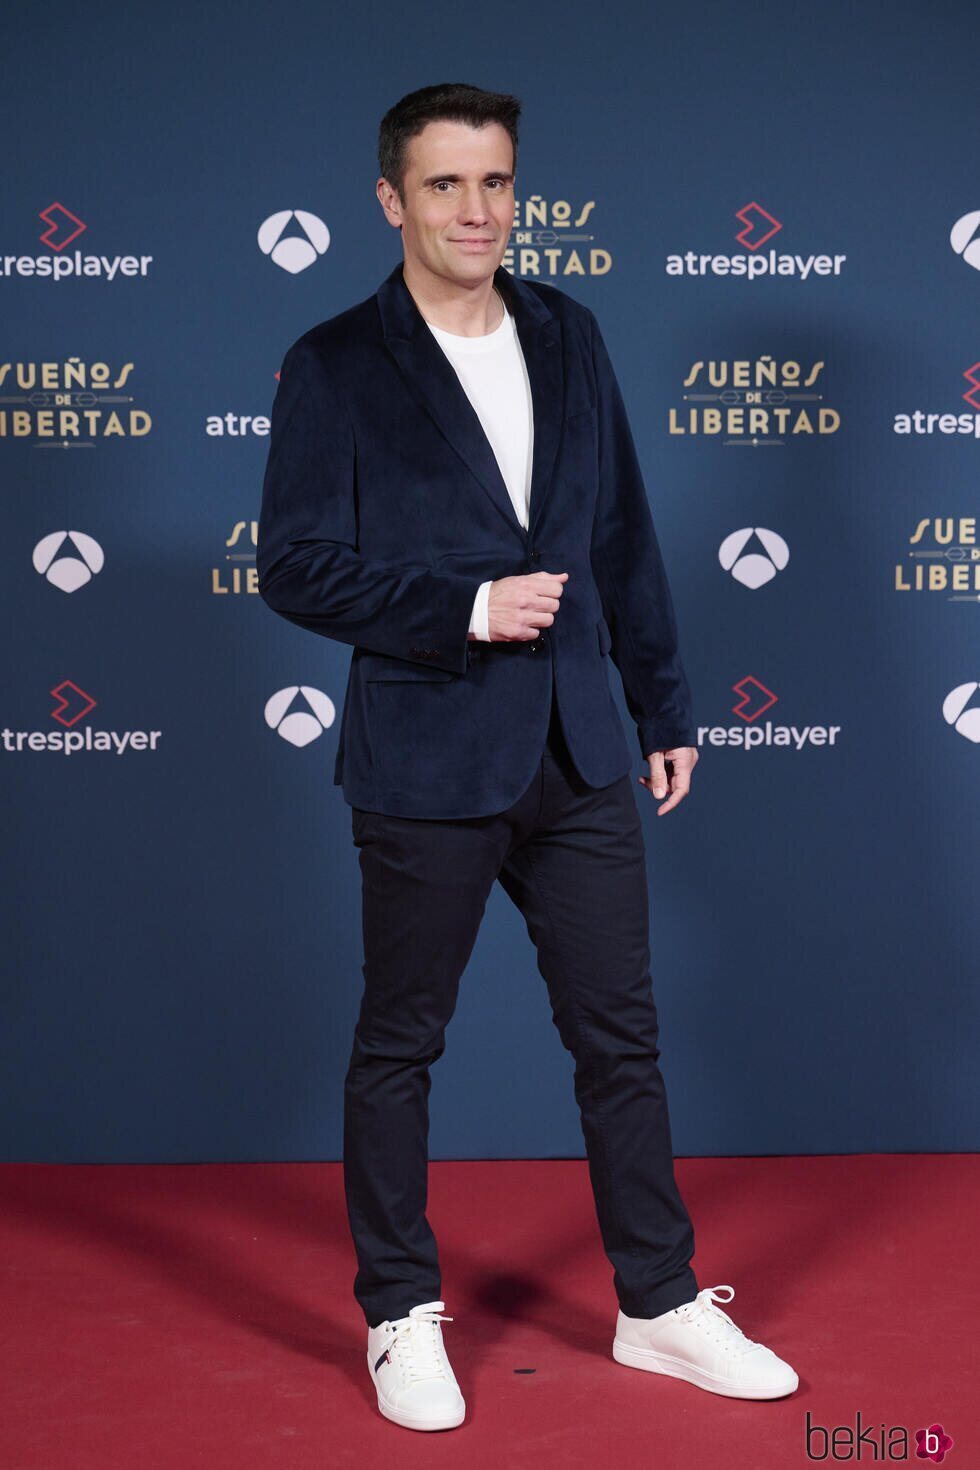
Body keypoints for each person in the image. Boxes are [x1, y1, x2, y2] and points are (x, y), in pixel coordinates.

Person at [257, 81, 798, 1433]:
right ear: (391, 200)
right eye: (445, 184)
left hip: (580, 744)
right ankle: (398, 1309)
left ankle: (658, 1301)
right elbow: (294, 565)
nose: (476, 210)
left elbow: (620, 533)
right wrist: (464, 607)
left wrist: (663, 706)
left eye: (495, 182)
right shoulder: (334, 361)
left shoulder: (569, 330)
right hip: (427, 757)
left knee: (623, 1037)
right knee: (401, 1043)